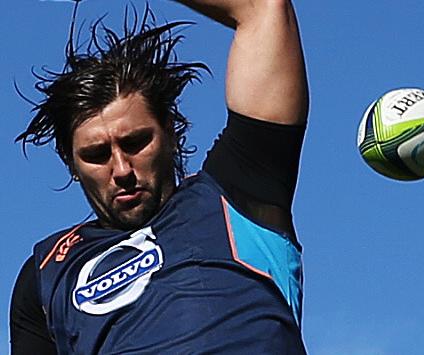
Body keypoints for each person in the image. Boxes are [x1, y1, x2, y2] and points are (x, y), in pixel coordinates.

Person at [10, 0, 309, 353]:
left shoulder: (239, 190)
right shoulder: (46, 274)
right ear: (69, 161)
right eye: (96, 155)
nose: (121, 170)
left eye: (136, 142)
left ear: (169, 132)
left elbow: (263, 8)